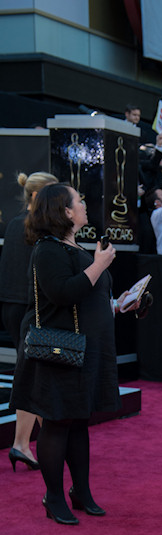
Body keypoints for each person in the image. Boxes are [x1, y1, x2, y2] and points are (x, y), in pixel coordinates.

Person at [10, 184, 137, 524]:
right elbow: (63, 294)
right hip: (60, 351)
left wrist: (121, 303)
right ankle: (53, 497)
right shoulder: (47, 249)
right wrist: (99, 265)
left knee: (78, 422)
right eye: (78, 201)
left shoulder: (74, 248)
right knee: (57, 423)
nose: (83, 204)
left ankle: (81, 491)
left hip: (84, 349)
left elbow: (88, 298)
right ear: (65, 212)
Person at [0, 170, 57, 471]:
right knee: (33, 377)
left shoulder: (14, 223)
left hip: (14, 307)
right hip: (27, 310)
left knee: (29, 375)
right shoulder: (36, 227)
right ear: (37, 195)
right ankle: (35, 442)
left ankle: (23, 443)